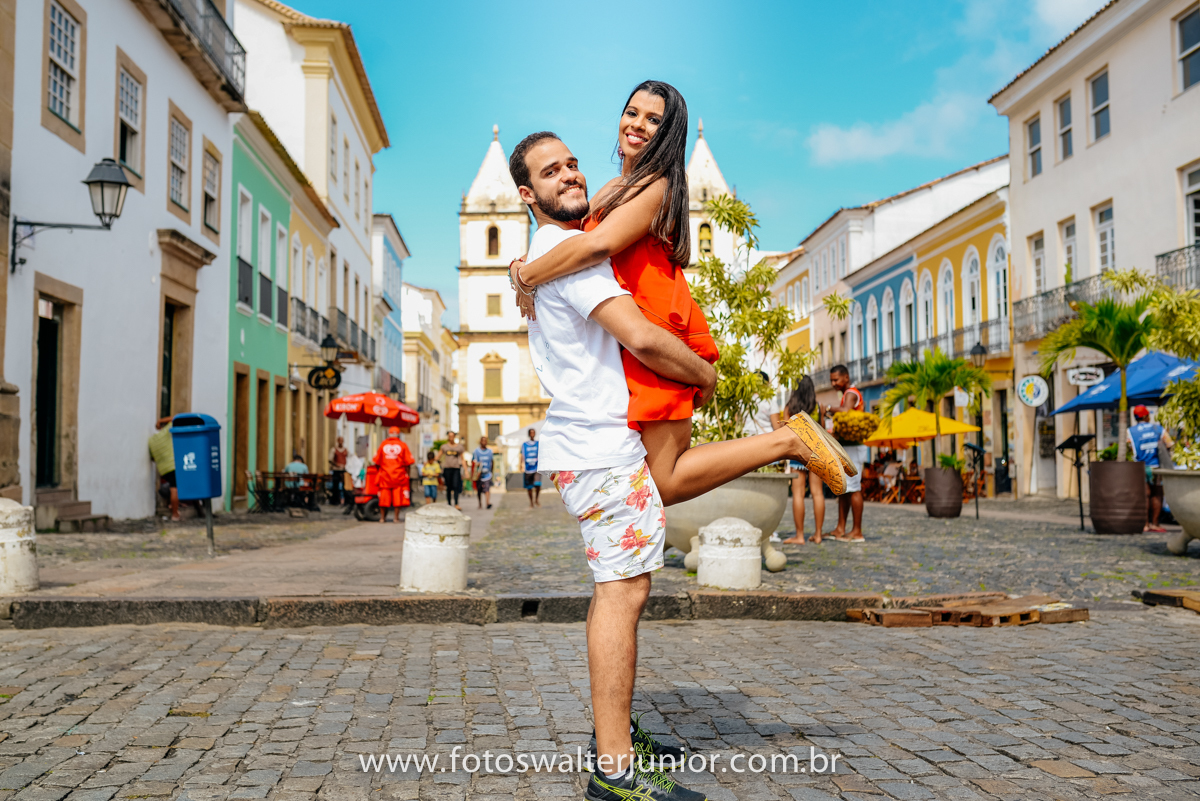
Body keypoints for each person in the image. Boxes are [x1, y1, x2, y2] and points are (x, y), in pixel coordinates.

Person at [505, 126, 850, 801]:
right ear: (527, 194)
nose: (569, 174)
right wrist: (704, 374)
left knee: (623, 584)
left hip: (596, 448)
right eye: (551, 172)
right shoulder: (567, 256)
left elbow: (611, 215)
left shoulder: (553, 249)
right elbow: (640, 336)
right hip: (602, 449)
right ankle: (615, 774)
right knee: (622, 595)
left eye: (572, 163)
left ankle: (616, 739)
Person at [781, 377, 826, 545]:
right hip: (817, 453)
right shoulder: (818, 407)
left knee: (798, 494)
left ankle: (799, 536)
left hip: (798, 454)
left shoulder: (790, 408)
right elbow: (823, 429)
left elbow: (785, 431)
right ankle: (818, 535)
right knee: (817, 493)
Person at [826, 364, 866, 542]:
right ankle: (840, 528)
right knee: (845, 489)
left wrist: (828, 407)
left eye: (836, 380)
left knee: (854, 488)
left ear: (846, 378)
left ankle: (857, 531)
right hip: (848, 446)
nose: (833, 383)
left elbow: (846, 411)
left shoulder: (851, 393)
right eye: (831, 380)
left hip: (854, 447)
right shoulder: (846, 394)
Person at [1128, 405, 1174, 533]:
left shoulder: (1130, 431)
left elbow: (1129, 449)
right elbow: (1169, 444)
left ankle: (1145, 524)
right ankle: (1155, 523)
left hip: (1140, 467)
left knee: (1145, 495)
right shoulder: (1157, 429)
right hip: (1156, 467)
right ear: (1147, 416)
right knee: (1157, 494)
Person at [373, 427, 414, 523]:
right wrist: (407, 475)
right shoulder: (403, 445)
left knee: (383, 499)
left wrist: (381, 471)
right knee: (397, 498)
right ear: (398, 434)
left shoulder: (383, 444)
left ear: (389, 434)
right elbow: (408, 462)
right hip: (398, 476)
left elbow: (376, 461)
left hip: (385, 476)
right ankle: (396, 518)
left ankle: (382, 518)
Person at [148, 417, 181, 521]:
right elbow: (175, 418)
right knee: (174, 489)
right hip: (172, 465)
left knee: (172, 488)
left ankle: (172, 506)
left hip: (163, 470)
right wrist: (160, 421)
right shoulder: (167, 432)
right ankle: (175, 514)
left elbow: (153, 458)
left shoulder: (152, 440)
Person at [439, 432, 465, 510]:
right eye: (449, 436)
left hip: (456, 468)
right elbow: (438, 456)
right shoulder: (444, 447)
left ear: (454, 437)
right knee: (449, 487)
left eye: (452, 436)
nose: (451, 438)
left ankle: (456, 504)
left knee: (456, 486)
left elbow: (462, 459)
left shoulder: (459, 447)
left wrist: (466, 470)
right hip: (447, 469)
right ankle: (449, 504)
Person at [521, 428, 542, 508]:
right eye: (531, 433)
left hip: (536, 468)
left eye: (533, 432)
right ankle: (531, 502)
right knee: (529, 487)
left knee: (537, 484)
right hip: (528, 468)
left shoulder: (538, 444)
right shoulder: (524, 444)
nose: (532, 434)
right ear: (529, 434)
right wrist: (521, 465)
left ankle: (536, 499)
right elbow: (522, 455)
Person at [472, 437, 494, 510]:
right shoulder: (476, 452)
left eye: (485, 441)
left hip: (487, 474)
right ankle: (480, 503)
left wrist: (491, 471)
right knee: (479, 490)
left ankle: (488, 503)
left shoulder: (490, 451)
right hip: (479, 475)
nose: (484, 442)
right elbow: (473, 462)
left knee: (487, 489)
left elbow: (492, 462)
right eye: (483, 441)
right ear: (480, 442)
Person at [328, 436, 349, 507]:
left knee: (345, 486)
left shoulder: (345, 450)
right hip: (336, 470)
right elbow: (330, 459)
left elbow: (349, 458)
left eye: (342, 441)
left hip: (344, 470)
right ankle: (335, 500)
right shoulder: (334, 449)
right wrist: (337, 464)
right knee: (335, 486)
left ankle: (346, 500)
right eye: (339, 441)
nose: (341, 442)